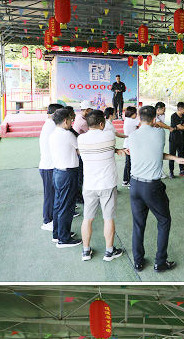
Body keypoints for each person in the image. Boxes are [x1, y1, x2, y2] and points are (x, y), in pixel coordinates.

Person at [124, 105, 184, 273]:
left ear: (139, 119)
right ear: (154, 119)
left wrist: (175, 158)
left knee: (138, 224)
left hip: (135, 185)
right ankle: (160, 262)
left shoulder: (132, 136)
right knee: (164, 220)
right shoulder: (160, 133)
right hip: (152, 186)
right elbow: (156, 151)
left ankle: (138, 261)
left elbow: (152, 153)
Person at [77, 109, 125, 262]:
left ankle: (86, 251)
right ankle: (109, 251)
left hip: (89, 185)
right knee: (108, 218)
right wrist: (116, 150)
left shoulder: (80, 139)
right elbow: (108, 149)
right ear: (102, 124)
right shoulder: (109, 136)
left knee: (87, 218)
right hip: (107, 184)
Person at [48, 107, 83, 248]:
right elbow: (80, 149)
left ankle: (57, 234)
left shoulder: (53, 134)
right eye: (70, 120)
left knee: (58, 205)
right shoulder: (67, 135)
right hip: (68, 174)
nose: (71, 122)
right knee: (66, 207)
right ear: (65, 121)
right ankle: (64, 239)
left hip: (58, 173)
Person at [38, 103, 62, 233]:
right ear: (55, 114)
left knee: (53, 194)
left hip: (50, 165)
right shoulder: (52, 126)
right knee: (49, 195)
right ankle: (47, 221)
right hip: (48, 166)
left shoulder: (50, 124)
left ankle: (53, 218)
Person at [167, 101, 184, 177]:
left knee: (181, 155)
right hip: (173, 139)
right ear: (180, 109)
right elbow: (180, 127)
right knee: (172, 155)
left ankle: (182, 170)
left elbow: (182, 126)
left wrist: (177, 128)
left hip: (181, 138)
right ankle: (171, 172)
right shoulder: (173, 116)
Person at [120, 106, 139, 186]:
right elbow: (142, 122)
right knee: (130, 164)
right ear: (132, 114)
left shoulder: (128, 119)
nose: (136, 115)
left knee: (128, 163)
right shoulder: (132, 121)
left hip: (128, 144)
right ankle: (129, 181)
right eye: (135, 113)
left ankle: (126, 180)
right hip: (130, 145)